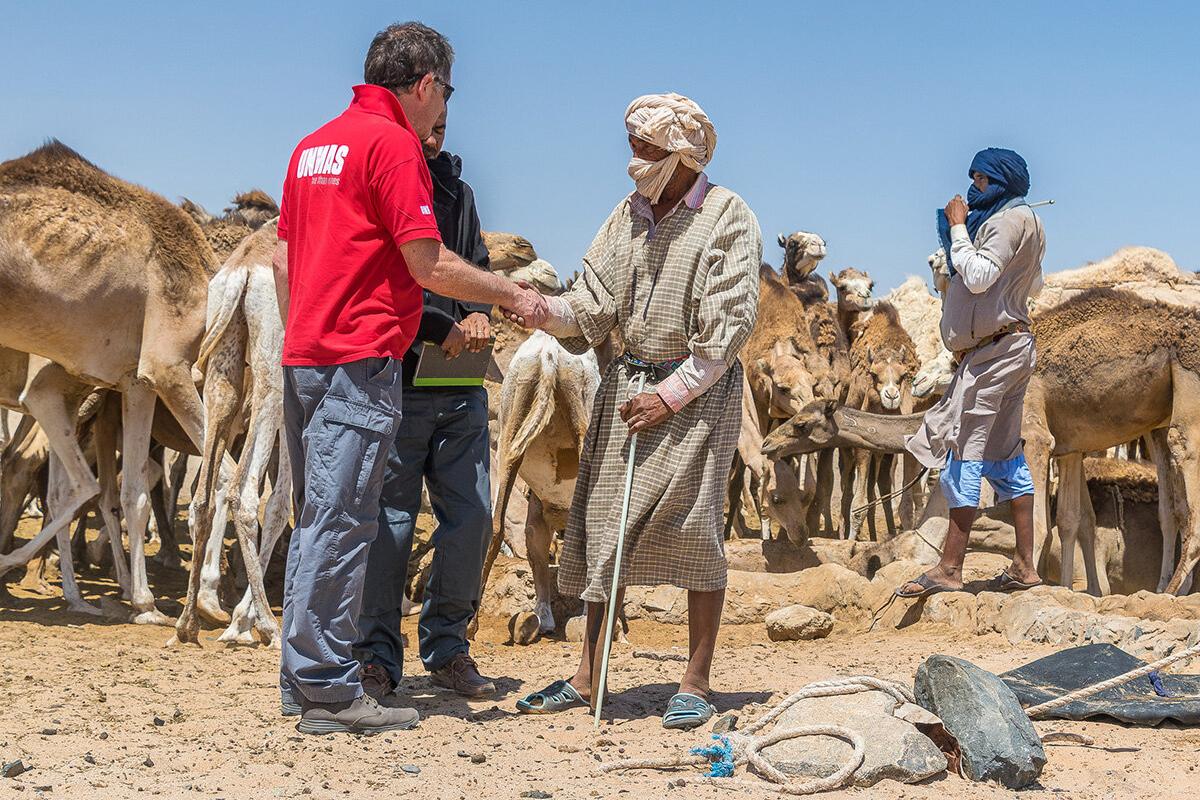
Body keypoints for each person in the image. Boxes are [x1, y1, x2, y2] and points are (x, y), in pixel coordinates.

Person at [273, 21, 546, 735]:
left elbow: (281, 259)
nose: (443, 109)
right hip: (361, 359)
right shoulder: (390, 143)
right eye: (446, 93)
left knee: (317, 520)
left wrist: (307, 330)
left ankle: (304, 681)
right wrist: (512, 296)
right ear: (426, 84)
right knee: (346, 522)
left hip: (306, 357)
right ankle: (330, 692)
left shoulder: (313, 146)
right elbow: (429, 263)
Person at [510, 93, 762, 731]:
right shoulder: (627, 215)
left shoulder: (728, 218)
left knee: (695, 528)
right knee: (603, 527)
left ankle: (695, 682)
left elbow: (726, 330)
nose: (634, 162)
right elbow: (591, 302)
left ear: (680, 155)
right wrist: (541, 310)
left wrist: (670, 394)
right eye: (632, 148)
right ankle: (587, 675)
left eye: (646, 150)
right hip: (628, 389)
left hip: (695, 394)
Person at [353, 107, 498, 699]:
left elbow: (475, 265)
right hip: (399, 380)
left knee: (473, 516)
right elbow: (394, 276)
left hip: (460, 385)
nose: (435, 137)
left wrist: (481, 313)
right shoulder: (386, 187)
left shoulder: (460, 194)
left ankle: (448, 648)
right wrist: (440, 326)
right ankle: (376, 657)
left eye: (442, 126)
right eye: (427, 126)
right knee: (389, 524)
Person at [899, 148, 1046, 598]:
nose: (972, 188)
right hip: (1009, 347)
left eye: (981, 180)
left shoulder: (1004, 223)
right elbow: (1033, 284)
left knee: (965, 450)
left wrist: (959, 227)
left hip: (993, 354)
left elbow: (979, 276)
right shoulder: (1029, 223)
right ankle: (1024, 565)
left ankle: (949, 567)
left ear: (1001, 181)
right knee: (1005, 453)